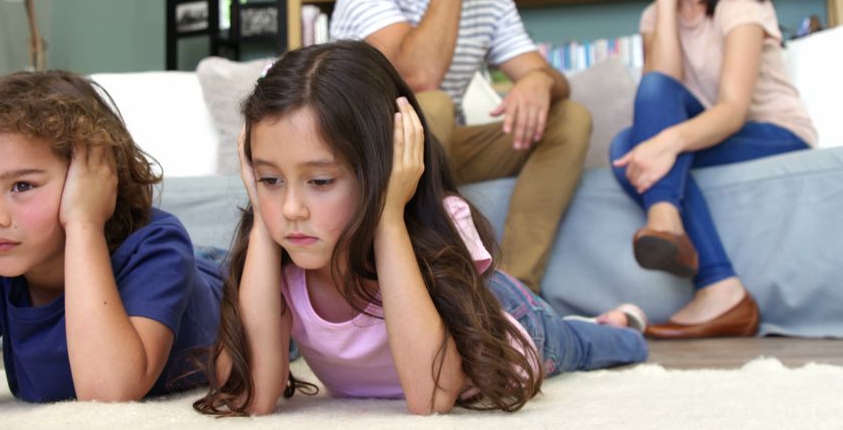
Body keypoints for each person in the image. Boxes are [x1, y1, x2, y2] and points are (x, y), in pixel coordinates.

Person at [191, 41, 647, 417]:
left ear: (384, 169)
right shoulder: (283, 255)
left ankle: (622, 324)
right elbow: (251, 396)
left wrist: (388, 216)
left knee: (586, 344)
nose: (291, 209)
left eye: (321, 181)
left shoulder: (438, 223)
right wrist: (262, 225)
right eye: (270, 179)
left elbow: (430, 398)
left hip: (511, 323)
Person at [0, 71, 226, 408]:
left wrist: (84, 222)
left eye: (22, 186)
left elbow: (108, 391)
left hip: (222, 281)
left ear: (95, 181)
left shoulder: (156, 247)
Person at [329, 0, 590, 294]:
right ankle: (431, 284)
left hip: (439, 148)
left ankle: (516, 294)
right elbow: (416, 77)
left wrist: (539, 79)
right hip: (371, 149)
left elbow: (552, 78)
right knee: (430, 104)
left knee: (569, 118)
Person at [610, 0, 817, 339]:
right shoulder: (653, 16)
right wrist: (665, 1)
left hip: (771, 130)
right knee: (625, 145)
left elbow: (733, 110)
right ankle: (701, 262)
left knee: (636, 149)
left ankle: (710, 275)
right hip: (704, 131)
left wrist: (665, 141)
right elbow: (661, 90)